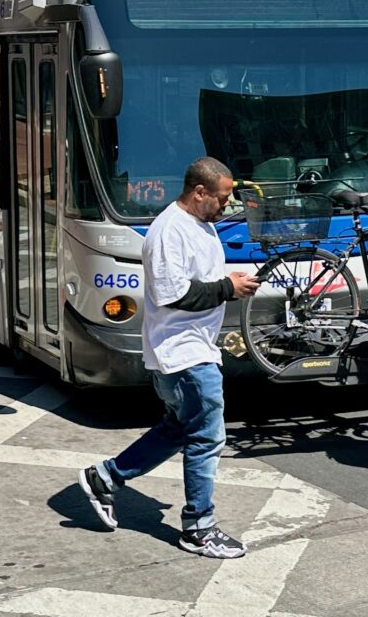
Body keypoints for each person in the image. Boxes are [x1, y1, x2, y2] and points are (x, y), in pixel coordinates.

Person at [78, 156, 259, 558]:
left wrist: (234, 281)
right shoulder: (168, 231)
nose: (227, 205)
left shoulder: (201, 224)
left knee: (178, 430)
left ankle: (105, 477)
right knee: (207, 437)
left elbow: (202, 279)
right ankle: (198, 527)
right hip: (181, 353)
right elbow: (171, 293)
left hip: (192, 348)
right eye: (222, 197)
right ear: (199, 192)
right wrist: (228, 289)